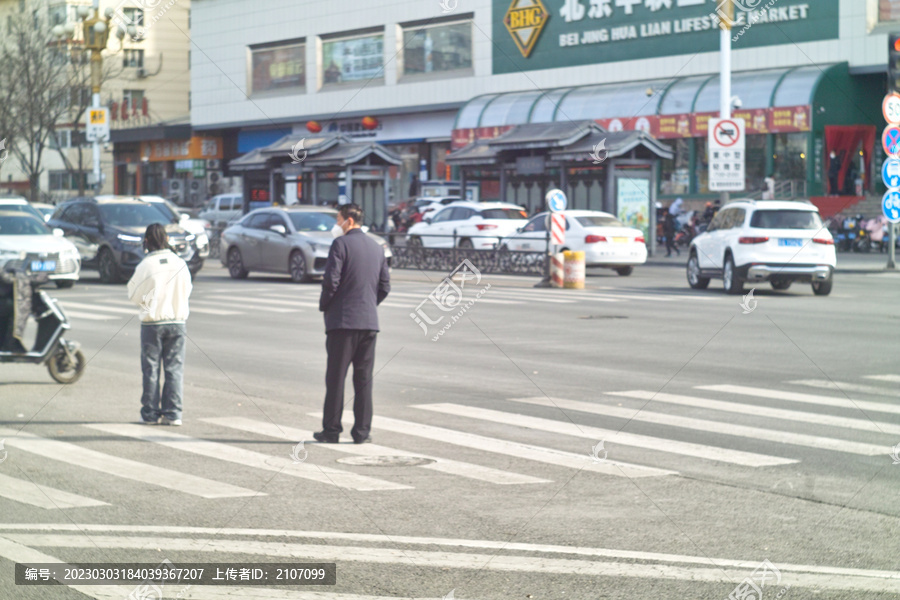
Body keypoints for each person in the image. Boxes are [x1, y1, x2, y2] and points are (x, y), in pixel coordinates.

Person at [315, 204, 390, 444]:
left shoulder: (341, 244)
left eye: (338, 220)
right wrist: (368, 305)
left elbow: (331, 281)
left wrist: (326, 305)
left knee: (336, 378)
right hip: (369, 322)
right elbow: (385, 286)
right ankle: (362, 433)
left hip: (343, 322)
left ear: (348, 220)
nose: (336, 225)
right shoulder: (377, 248)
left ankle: (331, 431)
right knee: (364, 380)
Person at [127, 223, 193, 426]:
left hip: (152, 323)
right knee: (174, 368)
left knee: (151, 369)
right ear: (166, 239)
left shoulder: (146, 266)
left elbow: (133, 295)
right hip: (177, 322)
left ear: (146, 241)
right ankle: (173, 414)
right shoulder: (179, 263)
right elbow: (188, 289)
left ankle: (150, 413)